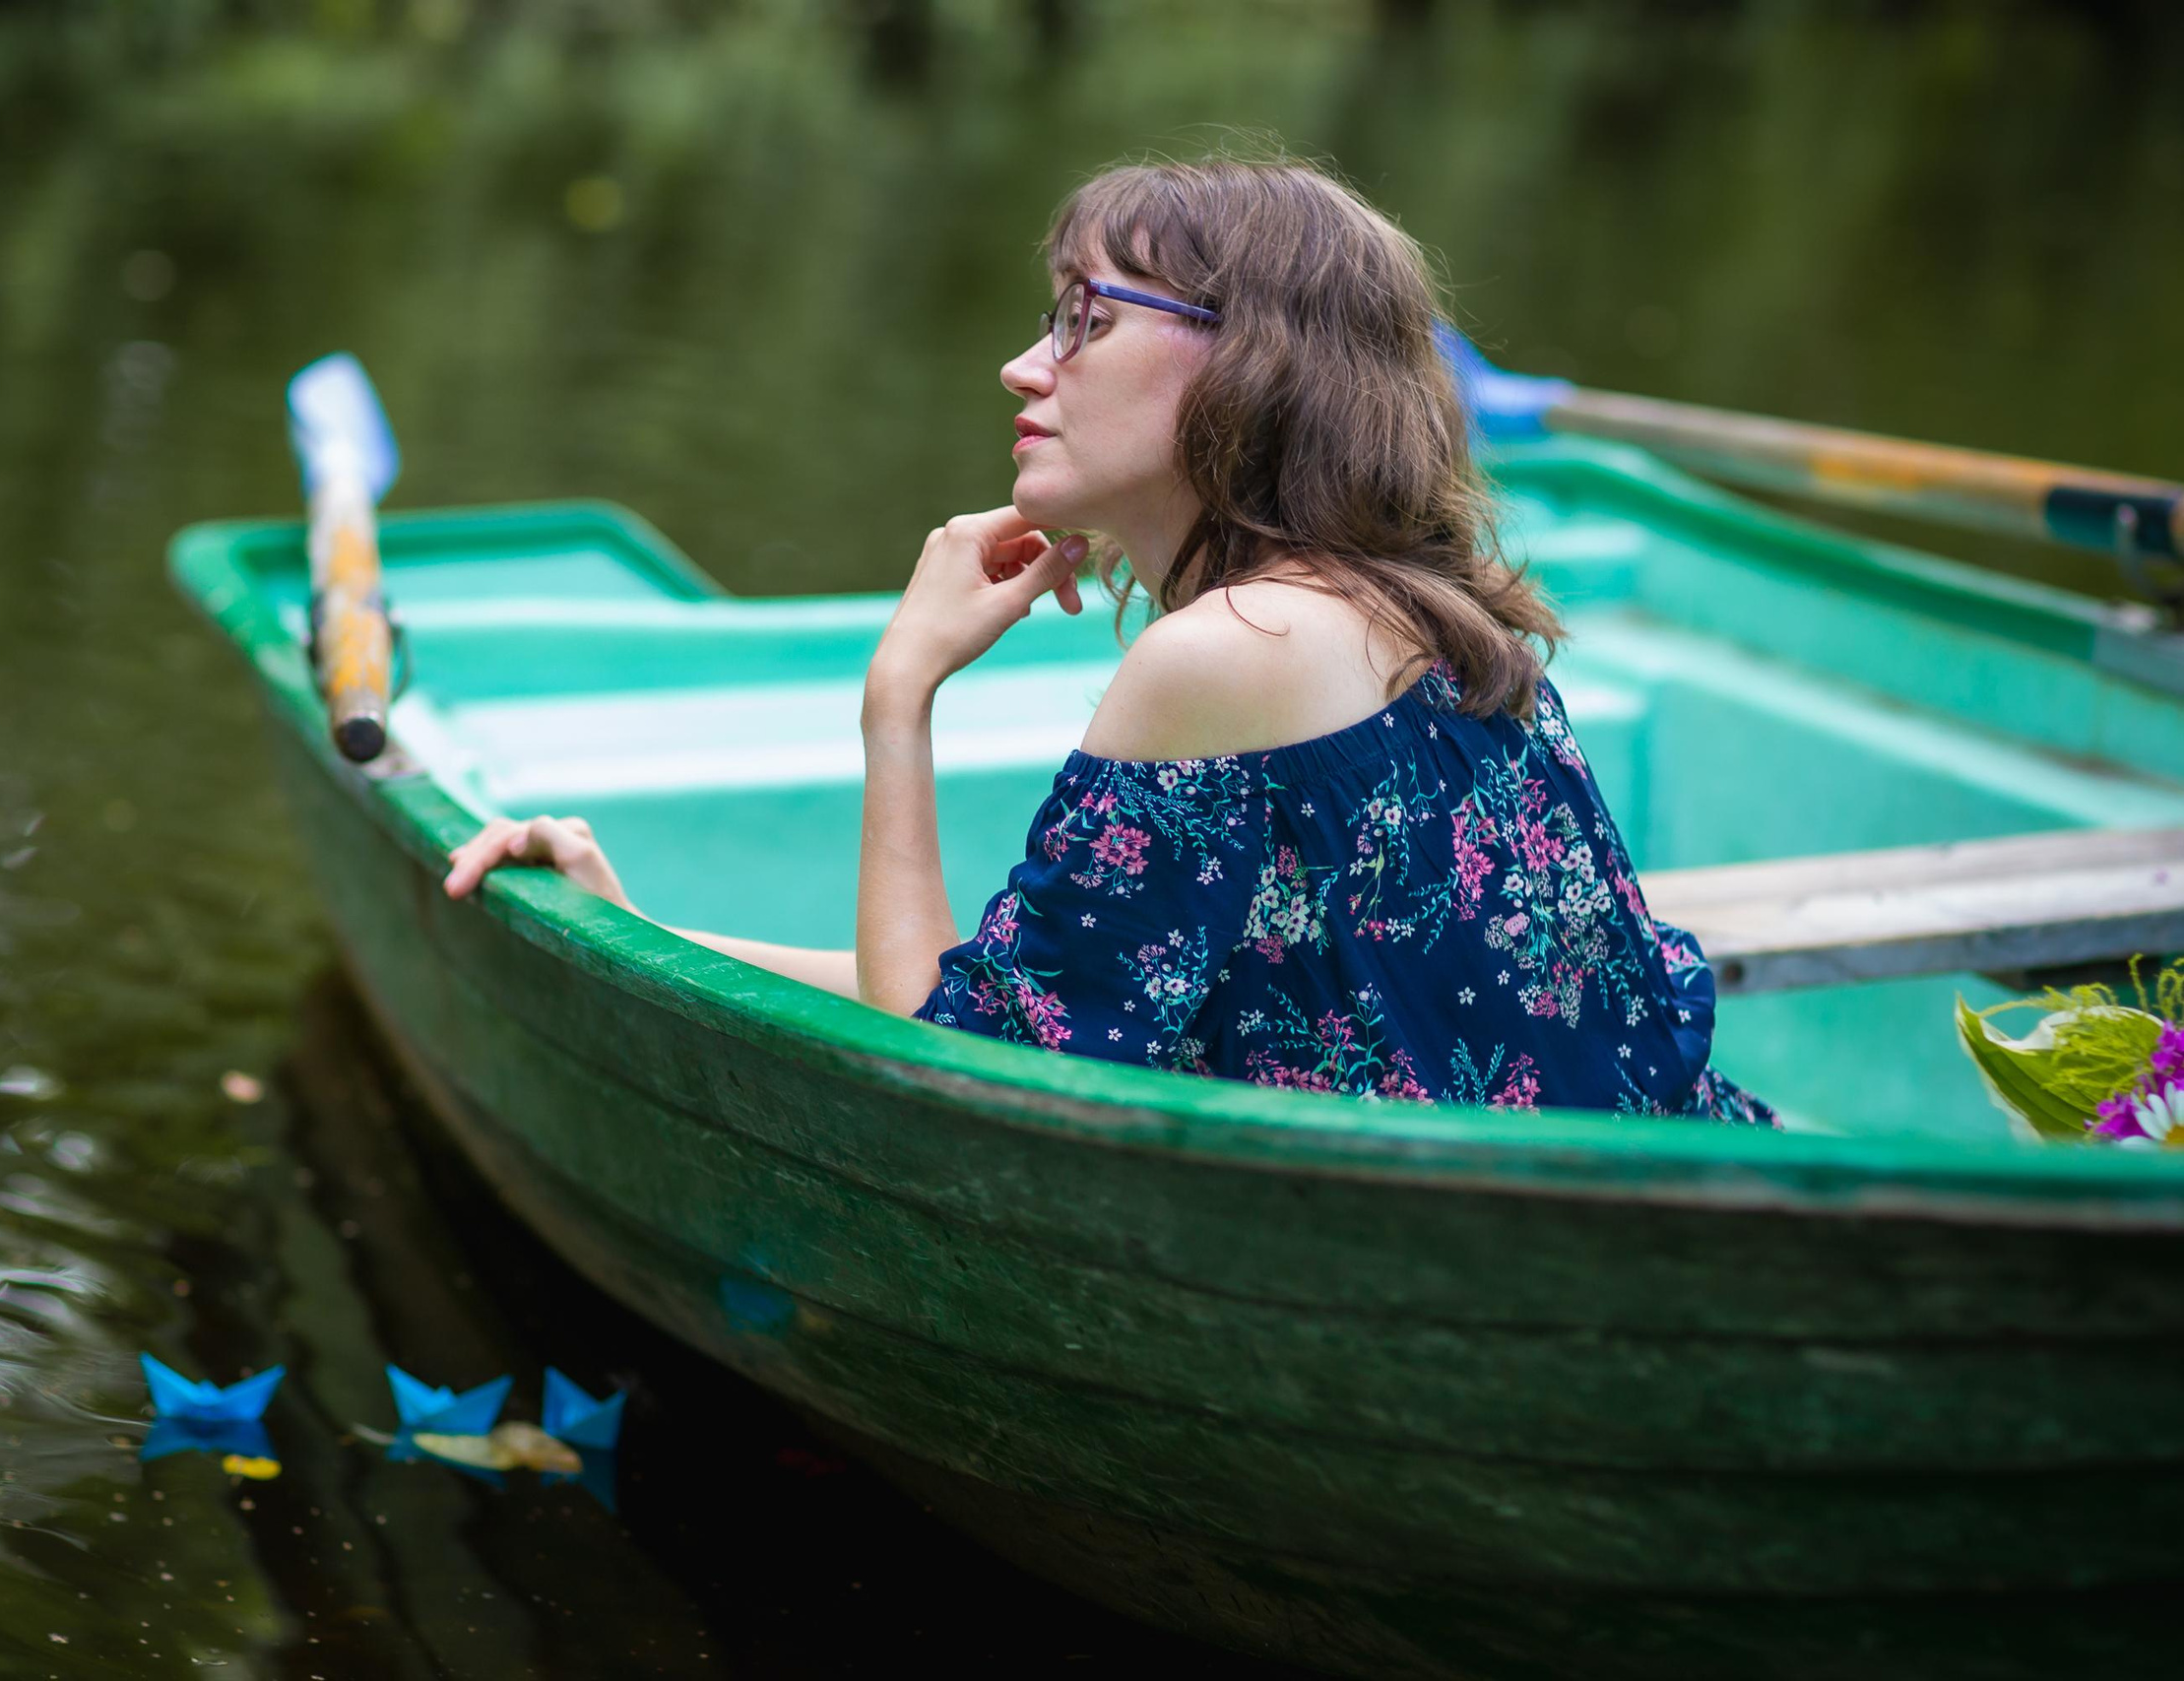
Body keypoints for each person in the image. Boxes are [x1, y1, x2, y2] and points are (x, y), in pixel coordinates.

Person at [443, 157, 1772, 1124]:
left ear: (1254, 367)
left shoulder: (1226, 652)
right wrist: (645, 933)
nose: (1027, 369)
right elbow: (1029, 997)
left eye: (1088, 322)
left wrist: (900, 694)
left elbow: (954, 1061)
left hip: (1482, 1301)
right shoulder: (1426, 609)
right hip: (1638, 1219)